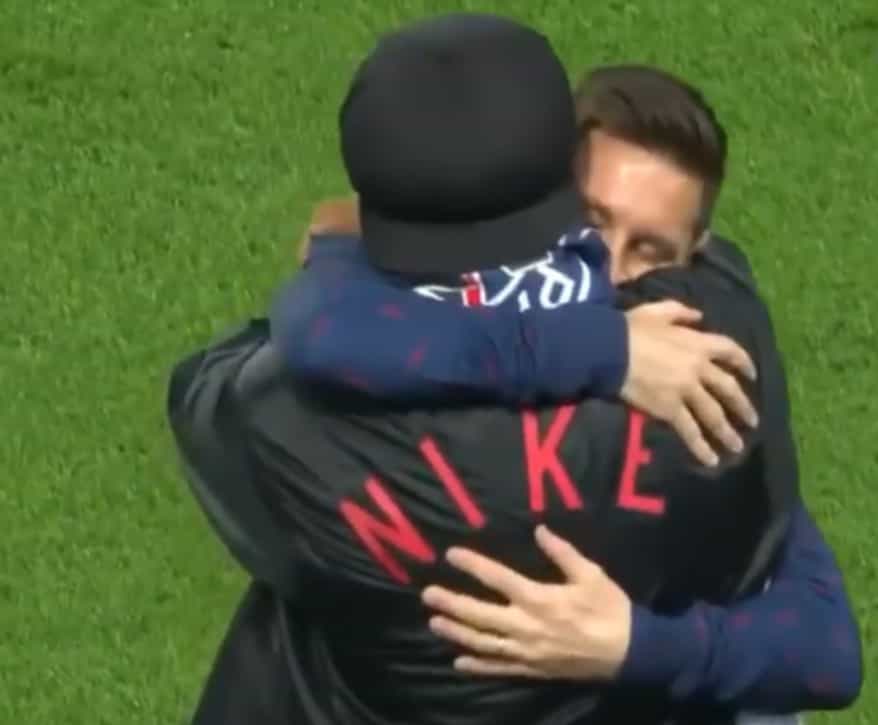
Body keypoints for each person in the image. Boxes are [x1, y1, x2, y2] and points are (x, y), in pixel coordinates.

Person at [170, 14, 801, 725]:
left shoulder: (290, 415)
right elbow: (821, 645)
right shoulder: (718, 346)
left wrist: (354, 267)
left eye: (647, 248)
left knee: (301, 604)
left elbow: (245, 366)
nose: (618, 274)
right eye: (595, 224)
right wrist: (640, 645)